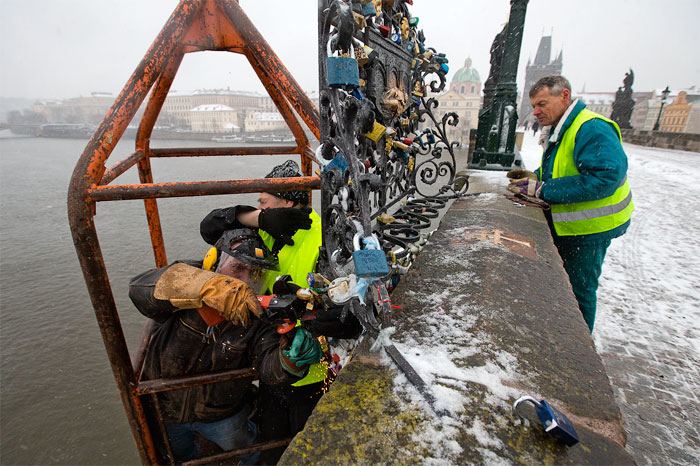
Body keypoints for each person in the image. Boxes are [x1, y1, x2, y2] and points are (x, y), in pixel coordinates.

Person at [199, 160, 361, 464]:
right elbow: (210, 227)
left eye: (263, 201)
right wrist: (256, 218)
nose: (258, 206)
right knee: (271, 441)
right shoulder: (268, 229)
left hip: (312, 366)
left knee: (305, 443)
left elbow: (350, 302)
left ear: (287, 201)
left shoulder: (329, 236)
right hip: (266, 353)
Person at [129, 228, 322, 464]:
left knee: (247, 450)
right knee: (177, 455)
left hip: (222, 413)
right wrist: (209, 287)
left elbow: (269, 365)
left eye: (257, 273)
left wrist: (290, 359)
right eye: (237, 267)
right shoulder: (184, 279)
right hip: (167, 408)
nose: (245, 280)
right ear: (214, 261)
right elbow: (139, 289)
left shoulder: (257, 318)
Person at [507, 75, 633, 333]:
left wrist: (543, 189)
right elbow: (562, 169)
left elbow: (606, 177)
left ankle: (578, 348)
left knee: (578, 292)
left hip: (589, 229)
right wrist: (537, 176)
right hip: (573, 226)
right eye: (534, 106)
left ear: (564, 96)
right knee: (565, 287)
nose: (536, 111)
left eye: (542, 103)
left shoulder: (591, 128)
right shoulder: (563, 125)